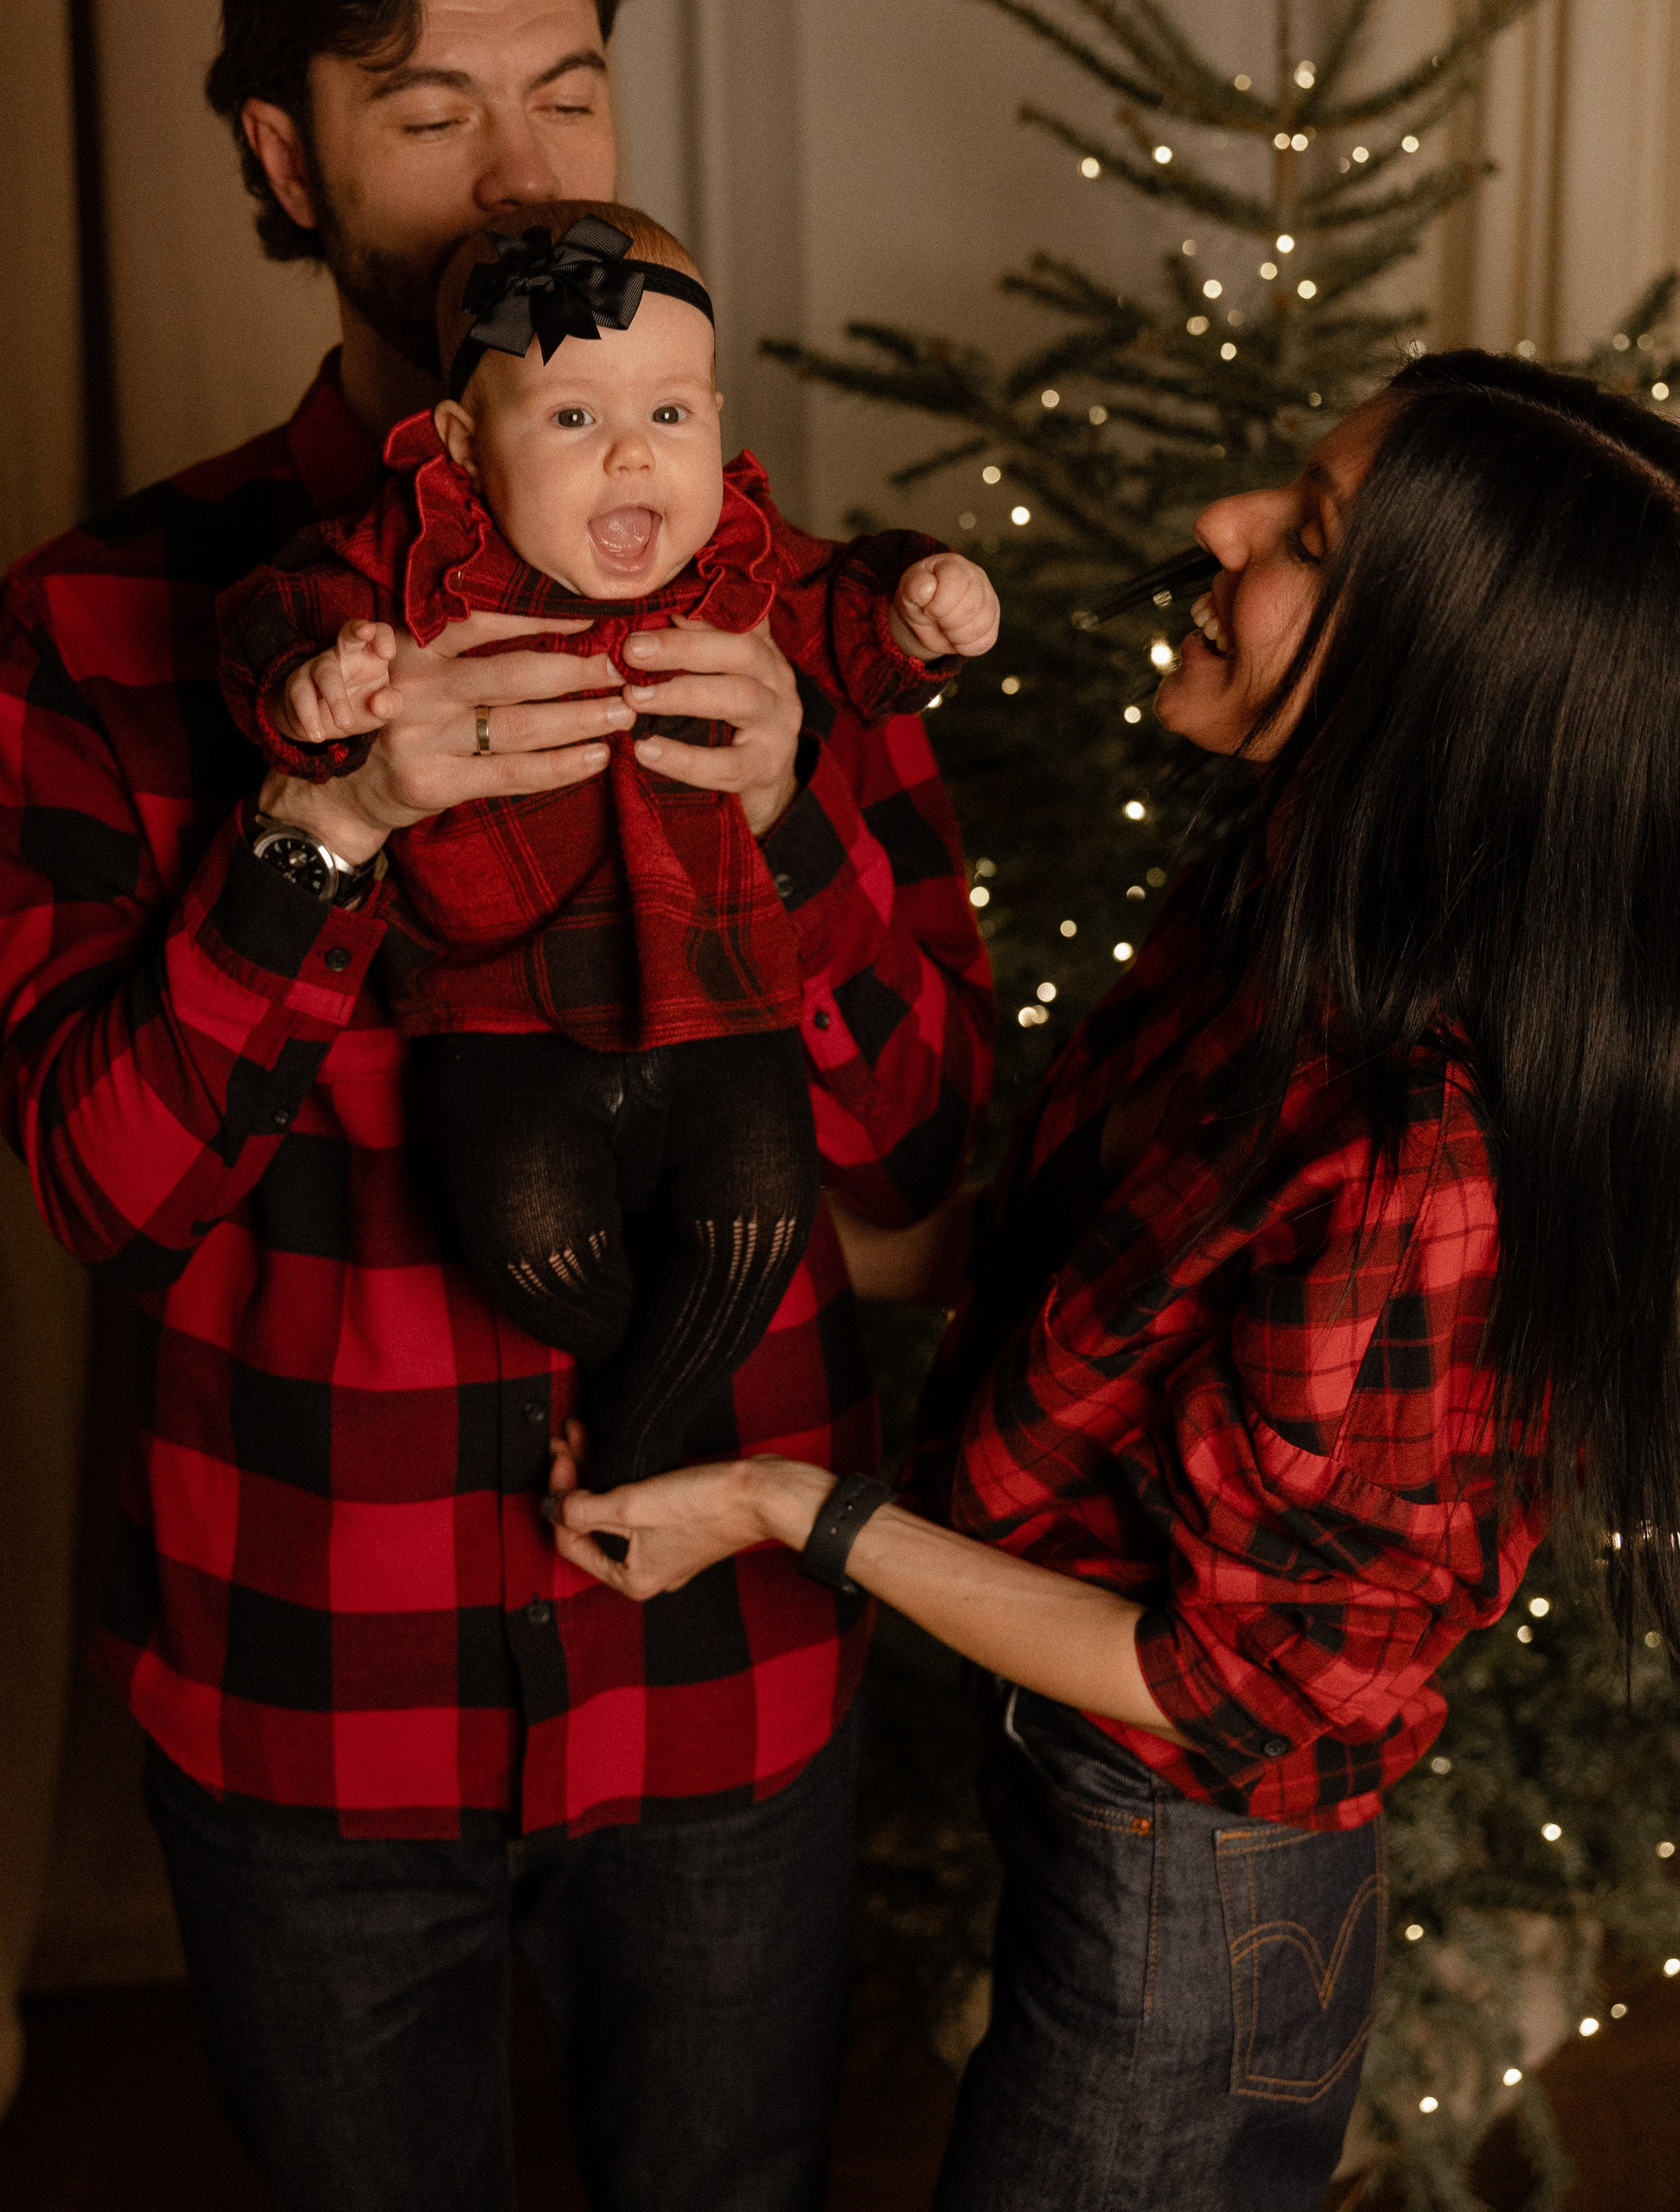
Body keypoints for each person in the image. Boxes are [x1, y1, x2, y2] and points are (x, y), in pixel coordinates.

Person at [0, 0, 993, 2212]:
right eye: (432, 113)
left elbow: (928, 1172)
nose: (523, 182)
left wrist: (789, 825)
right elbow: (102, 1196)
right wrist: (318, 839)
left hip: (725, 1673)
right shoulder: (115, 621)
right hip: (316, 1686)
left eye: (568, 94)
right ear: (290, 157)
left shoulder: (765, 587)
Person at [551, 352, 1680, 2211]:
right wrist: (709, 1222)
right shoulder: (1282, 939)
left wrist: (784, 1509)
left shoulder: (1431, 1161)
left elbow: (1218, 1681)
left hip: (1198, 1888)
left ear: (1435, 688)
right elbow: (1069, 1282)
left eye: (1307, 538)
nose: (1217, 530)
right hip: (1101, 1822)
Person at [218, 200, 999, 1484]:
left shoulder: (736, 557)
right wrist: (315, 691)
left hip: (722, 996)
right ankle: (631, 1370)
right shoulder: (411, 563)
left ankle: (636, 1433)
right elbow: (276, 614)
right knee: (529, 1236)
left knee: (758, 1212)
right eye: (575, 419)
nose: (635, 459)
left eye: (672, 416)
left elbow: (843, 607)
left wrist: (916, 616)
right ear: (464, 447)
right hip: (505, 1007)